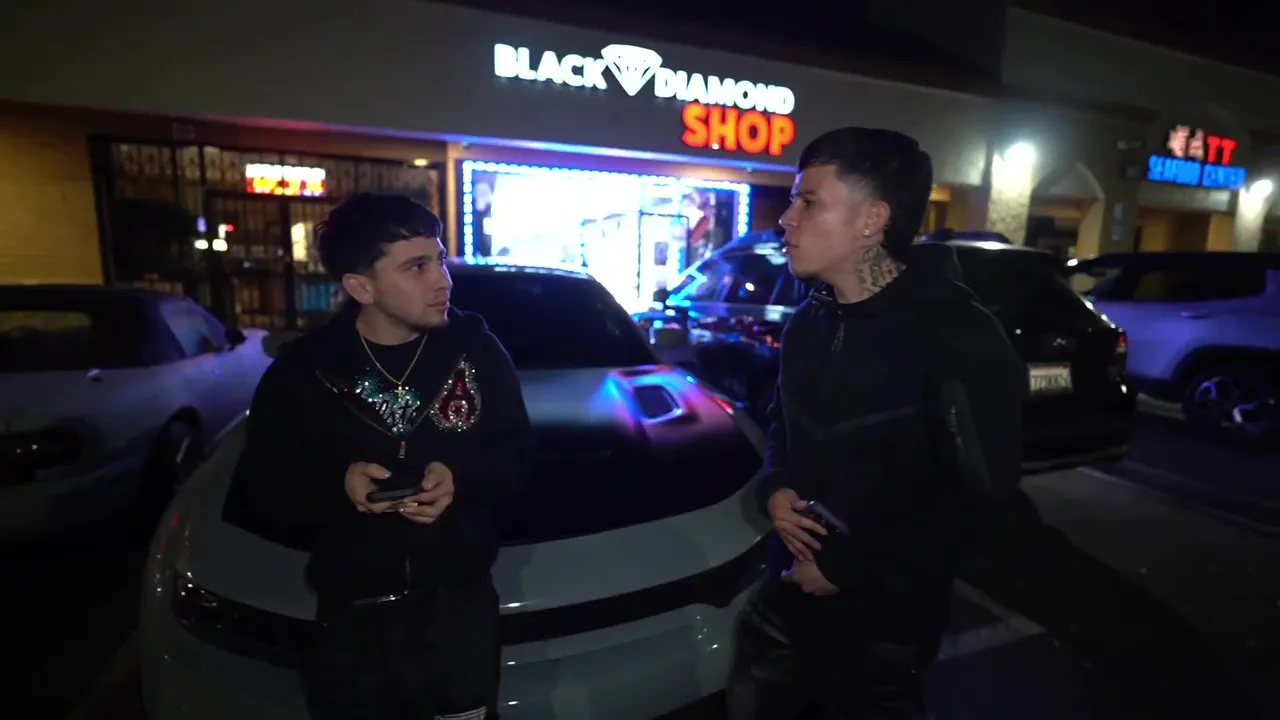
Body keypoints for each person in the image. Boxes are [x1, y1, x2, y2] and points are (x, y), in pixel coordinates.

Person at [726, 128, 1026, 719]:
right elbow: (783, 428)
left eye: (809, 200)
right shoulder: (808, 323)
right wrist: (775, 487)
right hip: (784, 597)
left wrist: (848, 567)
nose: (786, 218)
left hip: (883, 626)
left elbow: (980, 499)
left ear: (873, 219)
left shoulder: (957, 337)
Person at [229, 193, 532, 720]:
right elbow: (261, 489)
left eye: (439, 259)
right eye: (416, 267)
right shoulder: (304, 371)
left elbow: (519, 458)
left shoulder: (478, 352)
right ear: (361, 287)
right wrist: (338, 486)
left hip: (460, 614)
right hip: (353, 622)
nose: (442, 281)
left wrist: (459, 480)